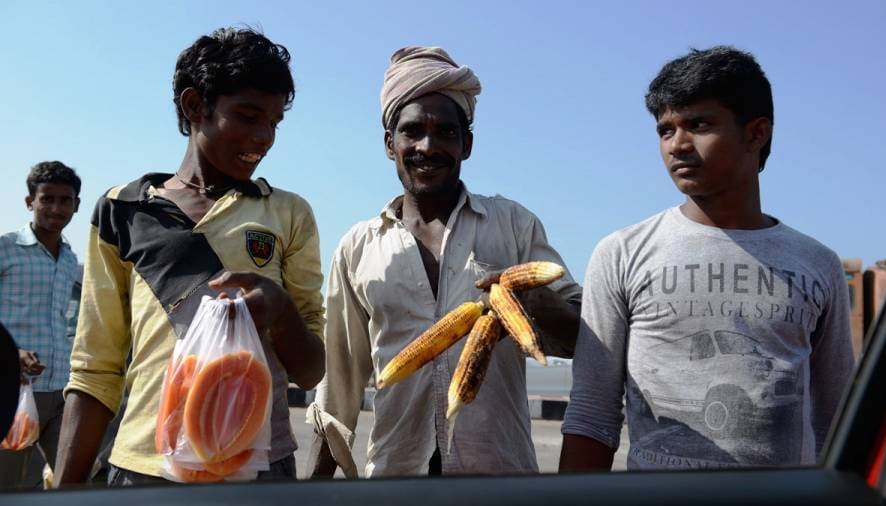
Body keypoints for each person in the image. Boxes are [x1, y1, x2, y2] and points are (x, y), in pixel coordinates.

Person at [52, 27, 325, 487]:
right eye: (248, 116)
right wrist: (65, 491)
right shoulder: (123, 210)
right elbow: (95, 369)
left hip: (255, 466)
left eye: (275, 122)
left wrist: (280, 311)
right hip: (145, 468)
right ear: (195, 105)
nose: (264, 137)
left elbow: (311, 369)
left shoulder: (287, 213)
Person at [559, 46, 853, 471]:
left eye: (699, 125)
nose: (678, 145)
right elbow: (592, 413)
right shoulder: (622, 253)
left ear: (756, 133)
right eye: (665, 130)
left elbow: (836, 419)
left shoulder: (817, 264)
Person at [307, 46, 582, 478]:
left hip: (499, 479)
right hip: (397, 477)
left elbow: (580, 337)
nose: (428, 147)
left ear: (466, 145)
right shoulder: (358, 247)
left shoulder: (514, 225)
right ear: (389, 144)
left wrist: (534, 304)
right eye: (412, 131)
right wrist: (314, 488)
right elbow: (338, 382)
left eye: (446, 133)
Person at [0, 161, 82, 489]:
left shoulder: (70, 259)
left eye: (65, 200)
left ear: (76, 205)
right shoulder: (5, 249)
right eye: (47, 199)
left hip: (61, 389)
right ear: (29, 201)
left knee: (74, 481)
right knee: (7, 484)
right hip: (13, 391)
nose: (56, 208)